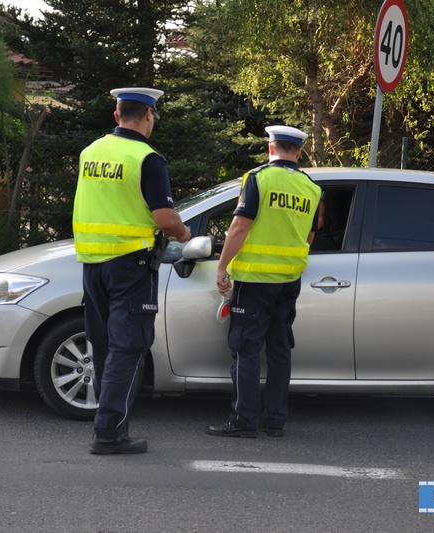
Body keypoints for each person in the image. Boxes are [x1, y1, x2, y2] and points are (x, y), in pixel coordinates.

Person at [73, 87, 191, 454]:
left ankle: (110, 425)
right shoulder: (146, 157)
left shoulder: (90, 152)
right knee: (129, 348)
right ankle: (109, 434)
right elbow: (165, 218)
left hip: (92, 265)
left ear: (116, 115)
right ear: (148, 116)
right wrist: (185, 233)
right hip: (130, 267)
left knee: (106, 346)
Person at [208, 125, 322, 438]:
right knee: (279, 349)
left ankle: (243, 421)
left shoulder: (258, 178)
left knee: (246, 350)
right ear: (298, 152)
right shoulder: (310, 187)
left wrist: (222, 267)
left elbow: (239, 228)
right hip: (289, 281)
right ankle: (275, 421)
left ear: (270, 148)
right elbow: (310, 234)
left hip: (255, 280)